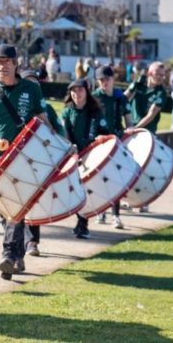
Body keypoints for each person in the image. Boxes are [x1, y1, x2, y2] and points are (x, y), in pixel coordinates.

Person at [0, 44, 50, 280]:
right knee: (4, 209)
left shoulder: (31, 89)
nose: (2, 65)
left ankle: (8, 255)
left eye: (7, 61)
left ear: (16, 63)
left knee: (15, 208)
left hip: (24, 159)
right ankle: (18, 255)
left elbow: (43, 123)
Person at [20, 68, 65, 257]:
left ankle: (32, 241)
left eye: (35, 82)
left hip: (39, 158)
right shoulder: (16, 104)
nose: (33, 86)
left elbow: (58, 130)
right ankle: (17, 241)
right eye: (29, 82)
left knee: (34, 200)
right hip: (18, 157)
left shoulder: (46, 107)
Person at [61, 78, 110, 239]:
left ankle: (83, 224)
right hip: (74, 156)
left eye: (80, 90)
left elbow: (104, 131)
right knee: (76, 190)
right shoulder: (67, 111)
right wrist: (71, 146)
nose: (77, 94)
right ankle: (80, 222)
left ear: (86, 92)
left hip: (92, 156)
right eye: (73, 91)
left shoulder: (96, 111)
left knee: (88, 190)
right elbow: (65, 132)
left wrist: (99, 140)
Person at [92, 65, 134, 229]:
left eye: (107, 79)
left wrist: (129, 131)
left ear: (113, 79)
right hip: (99, 142)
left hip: (116, 142)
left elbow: (129, 121)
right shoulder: (94, 97)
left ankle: (116, 216)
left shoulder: (120, 98)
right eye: (101, 80)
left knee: (116, 180)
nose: (104, 83)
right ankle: (101, 211)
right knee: (100, 178)